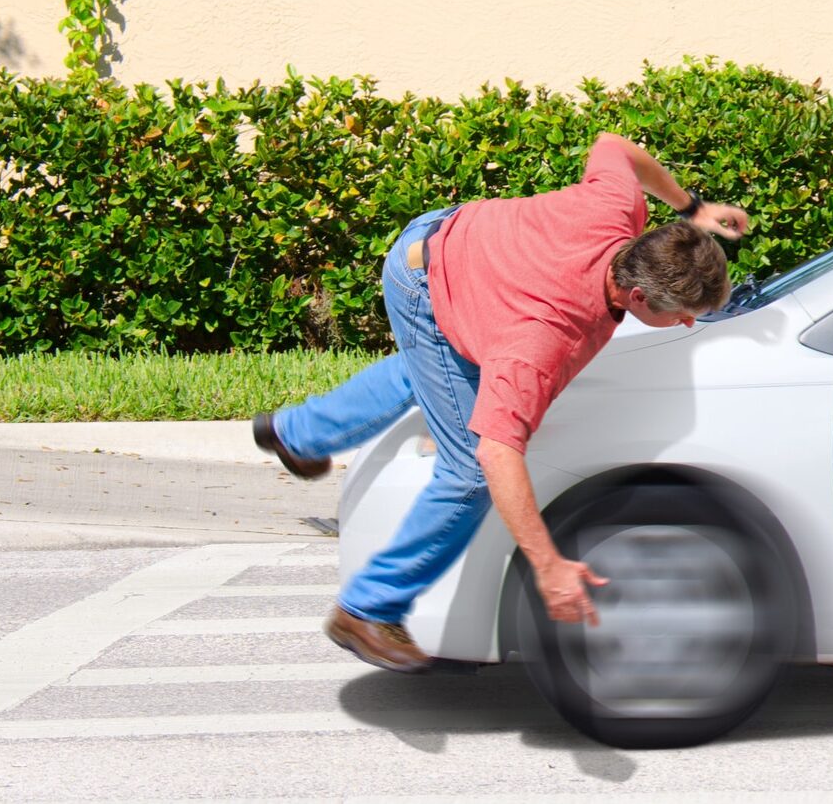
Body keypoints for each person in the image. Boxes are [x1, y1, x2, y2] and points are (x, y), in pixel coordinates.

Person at [252, 132, 748, 673]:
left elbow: (613, 146)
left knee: (432, 370)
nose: (687, 324)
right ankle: (368, 608)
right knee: (465, 469)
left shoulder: (617, 209)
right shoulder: (542, 339)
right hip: (427, 281)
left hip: (454, 239)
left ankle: (296, 433)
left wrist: (693, 207)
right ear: (636, 296)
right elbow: (495, 454)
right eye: (679, 313)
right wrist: (549, 566)